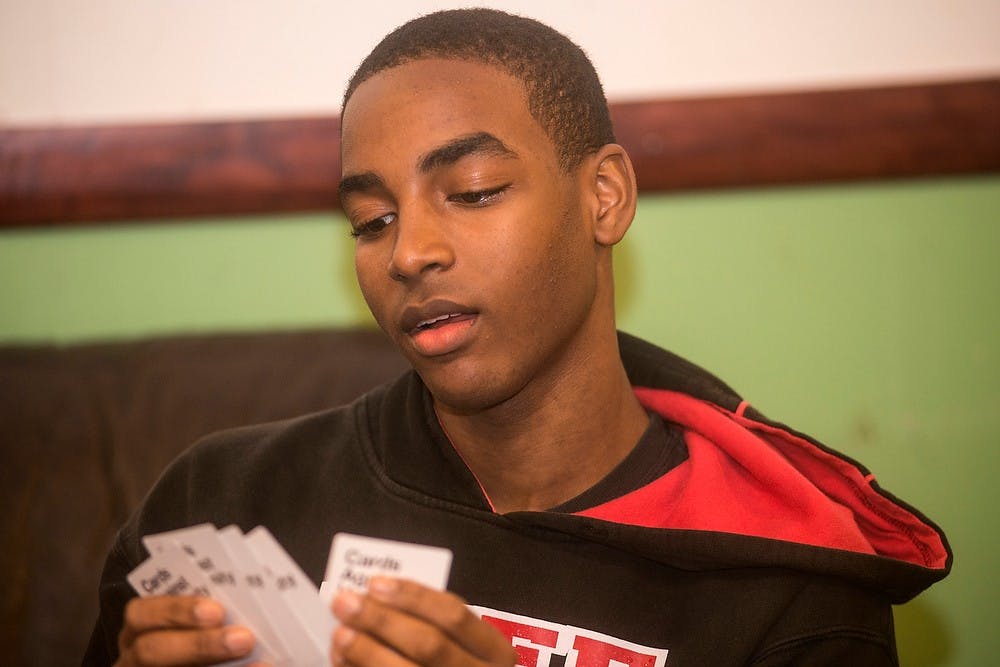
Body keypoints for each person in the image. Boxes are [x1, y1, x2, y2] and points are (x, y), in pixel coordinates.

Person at [85, 8, 951, 666]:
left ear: (603, 198)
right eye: (371, 218)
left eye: (472, 190)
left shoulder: (790, 591)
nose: (411, 252)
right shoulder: (221, 499)